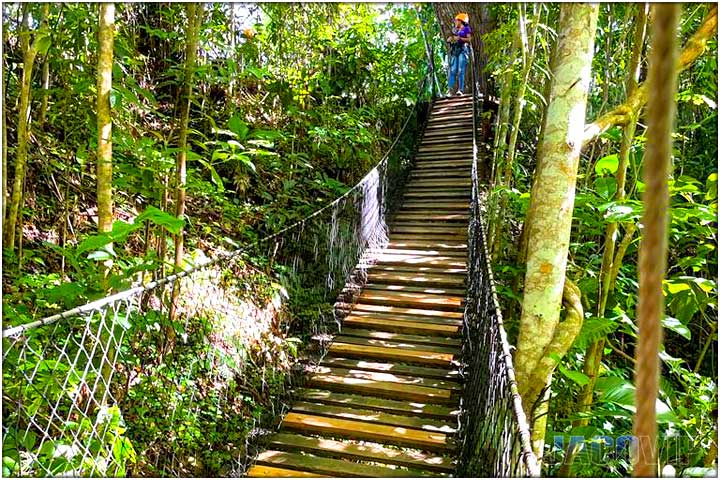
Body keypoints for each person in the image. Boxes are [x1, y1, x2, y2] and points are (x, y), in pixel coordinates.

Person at [446, 13, 472, 96]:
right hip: (455, 51)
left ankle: (460, 90)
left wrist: (460, 38)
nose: (455, 22)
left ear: (461, 21)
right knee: (453, 71)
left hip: (463, 50)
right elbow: (453, 38)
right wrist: (450, 39)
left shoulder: (466, 29)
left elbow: (469, 39)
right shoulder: (455, 30)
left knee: (461, 71)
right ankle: (450, 90)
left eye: (456, 20)